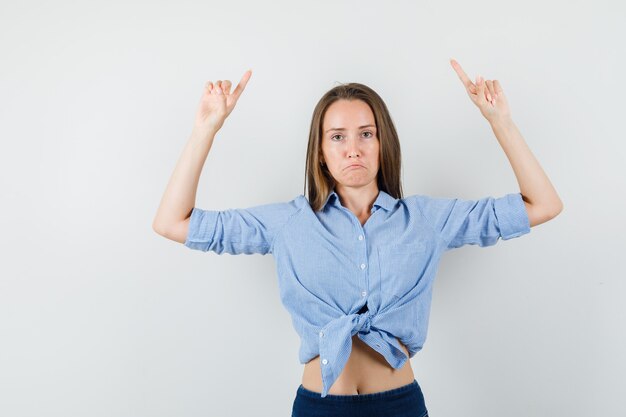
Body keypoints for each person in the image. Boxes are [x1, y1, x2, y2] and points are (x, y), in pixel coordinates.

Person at [152, 59, 563, 417]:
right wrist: (206, 130)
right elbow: (173, 222)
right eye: (338, 136)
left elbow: (542, 205)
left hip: (399, 405)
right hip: (319, 407)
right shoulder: (289, 223)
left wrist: (501, 123)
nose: (353, 149)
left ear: (383, 143)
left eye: (366, 134)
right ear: (320, 151)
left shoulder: (427, 220)